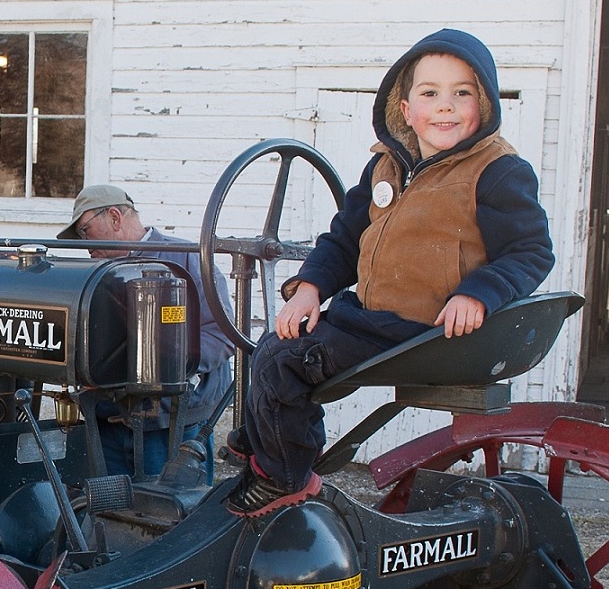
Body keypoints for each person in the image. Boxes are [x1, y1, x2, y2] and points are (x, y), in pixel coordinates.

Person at [225, 28, 554, 517]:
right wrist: (310, 287)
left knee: (285, 362)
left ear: (483, 105)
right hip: (372, 318)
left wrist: (478, 294)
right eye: (430, 94)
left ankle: (287, 478)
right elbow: (344, 237)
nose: (445, 106)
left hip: (427, 330)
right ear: (404, 109)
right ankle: (267, 446)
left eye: (462, 93)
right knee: (273, 344)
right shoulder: (385, 167)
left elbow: (530, 250)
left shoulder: (498, 170)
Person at [58, 184, 235, 480]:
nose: (84, 245)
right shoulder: (93, 274)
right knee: (110, 516)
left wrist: (164, 368)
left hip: (172, 424)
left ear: (115, 217)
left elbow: (221, 334)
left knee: (173, 515)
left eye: (85, 231)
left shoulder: (187, 259)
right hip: (107, 424)